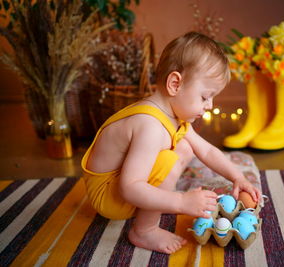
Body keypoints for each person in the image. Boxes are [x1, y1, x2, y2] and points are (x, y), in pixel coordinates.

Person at [81, 31, 262, 254]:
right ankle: (144, 231)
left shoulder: (173, 114)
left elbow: (206, 150)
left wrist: (238, 177)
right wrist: (180, 202)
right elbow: (129, 188)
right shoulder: (150, 127)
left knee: (186, 146)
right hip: (110, 196)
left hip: (120, 184)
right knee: (168, 159)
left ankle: (155, 201)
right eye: (205, 97)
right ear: (175, 84)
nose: (209, 105)